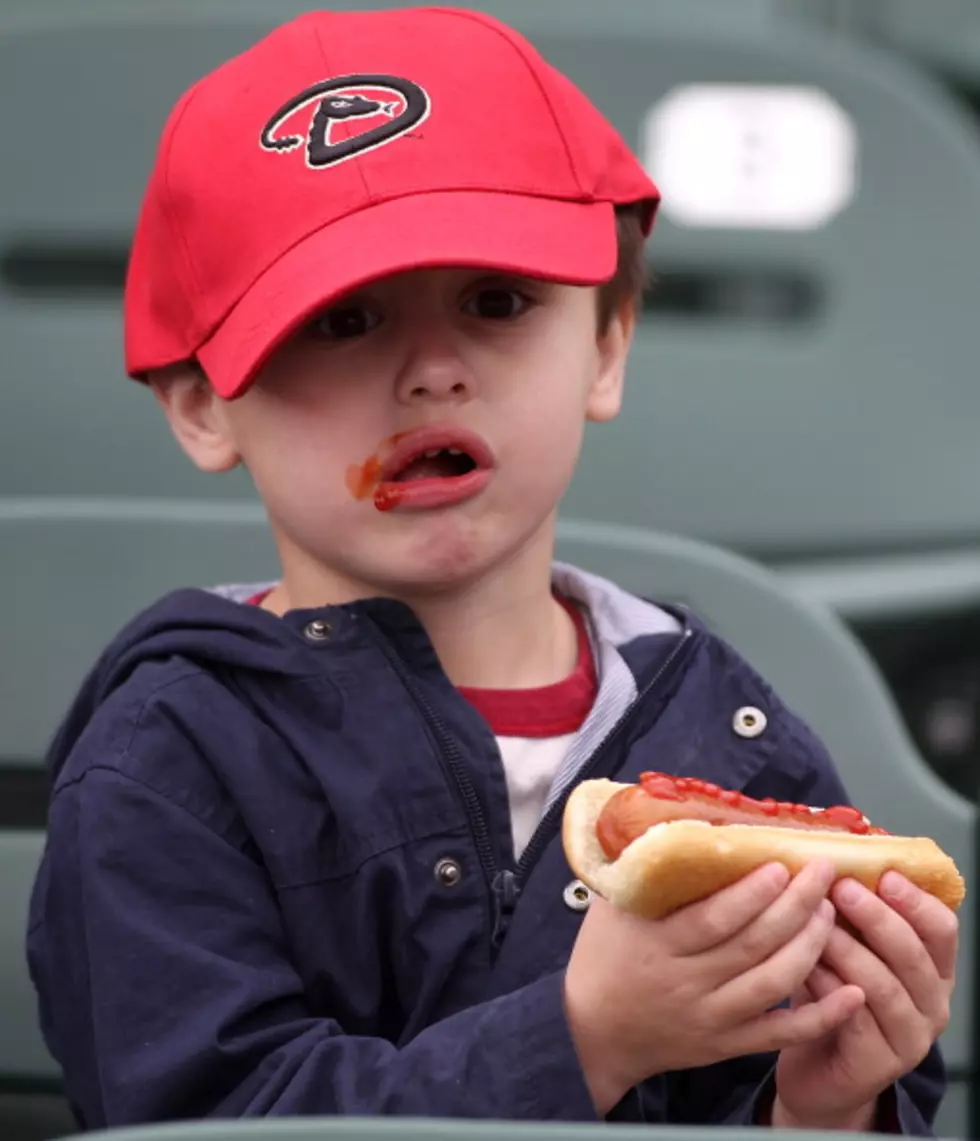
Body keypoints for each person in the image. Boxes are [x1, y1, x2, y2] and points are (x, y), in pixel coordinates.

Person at [26, 6, 956, 1134]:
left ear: (606, 345)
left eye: (497, 301)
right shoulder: (167, 760)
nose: (430, 370)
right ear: (202, 403)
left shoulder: (726, 730)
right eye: (342, 318)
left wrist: (830, 1103)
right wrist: (582, 1039)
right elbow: (202, 1114)